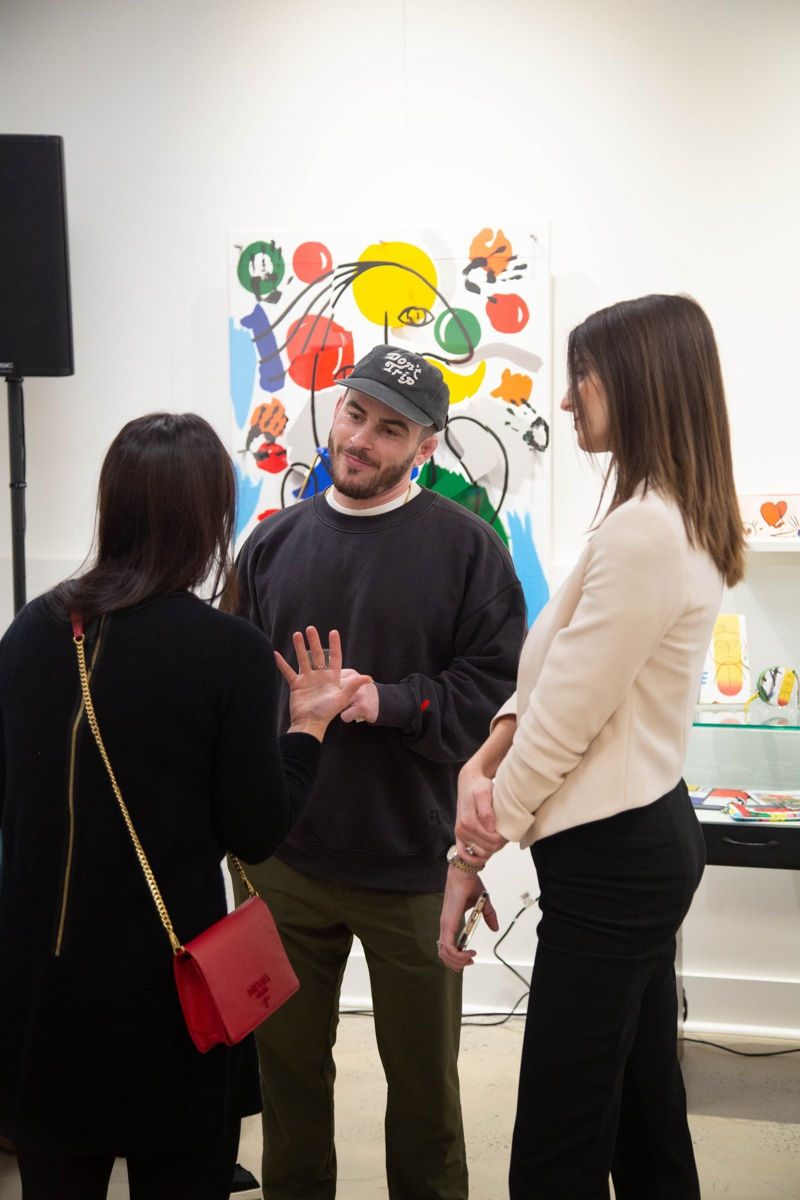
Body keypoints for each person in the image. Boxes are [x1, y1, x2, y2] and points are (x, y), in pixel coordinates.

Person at [0, 413, 370, 1200]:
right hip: (174, 991)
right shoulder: (228, 652)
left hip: (44, 989)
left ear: (113, 506)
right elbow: (257, 831)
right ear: (212, 519)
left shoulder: (32, 631)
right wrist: (307, 727)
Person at [438, 294, 746, 1199]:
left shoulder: (646, 531)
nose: (567, 401)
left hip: (616, 862)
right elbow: (561, 672)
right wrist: (490, 749)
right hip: (635, 847)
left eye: (582, 375)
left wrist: (470, 850)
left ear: (641, 383)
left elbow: (567, 716)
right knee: (645, 1118)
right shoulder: (661, 515)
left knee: (558, 1143)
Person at [235, 343, 527, 1199]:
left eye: (389, 429)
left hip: (412, 871)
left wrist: (381, 702)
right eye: (355, 414)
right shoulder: (272, 545)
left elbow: (496, 695)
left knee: (426, 1101)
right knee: (287, 1094)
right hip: (284, 867)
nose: (360, 439)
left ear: (426, 446)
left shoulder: (469, 551)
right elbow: (239, 689)